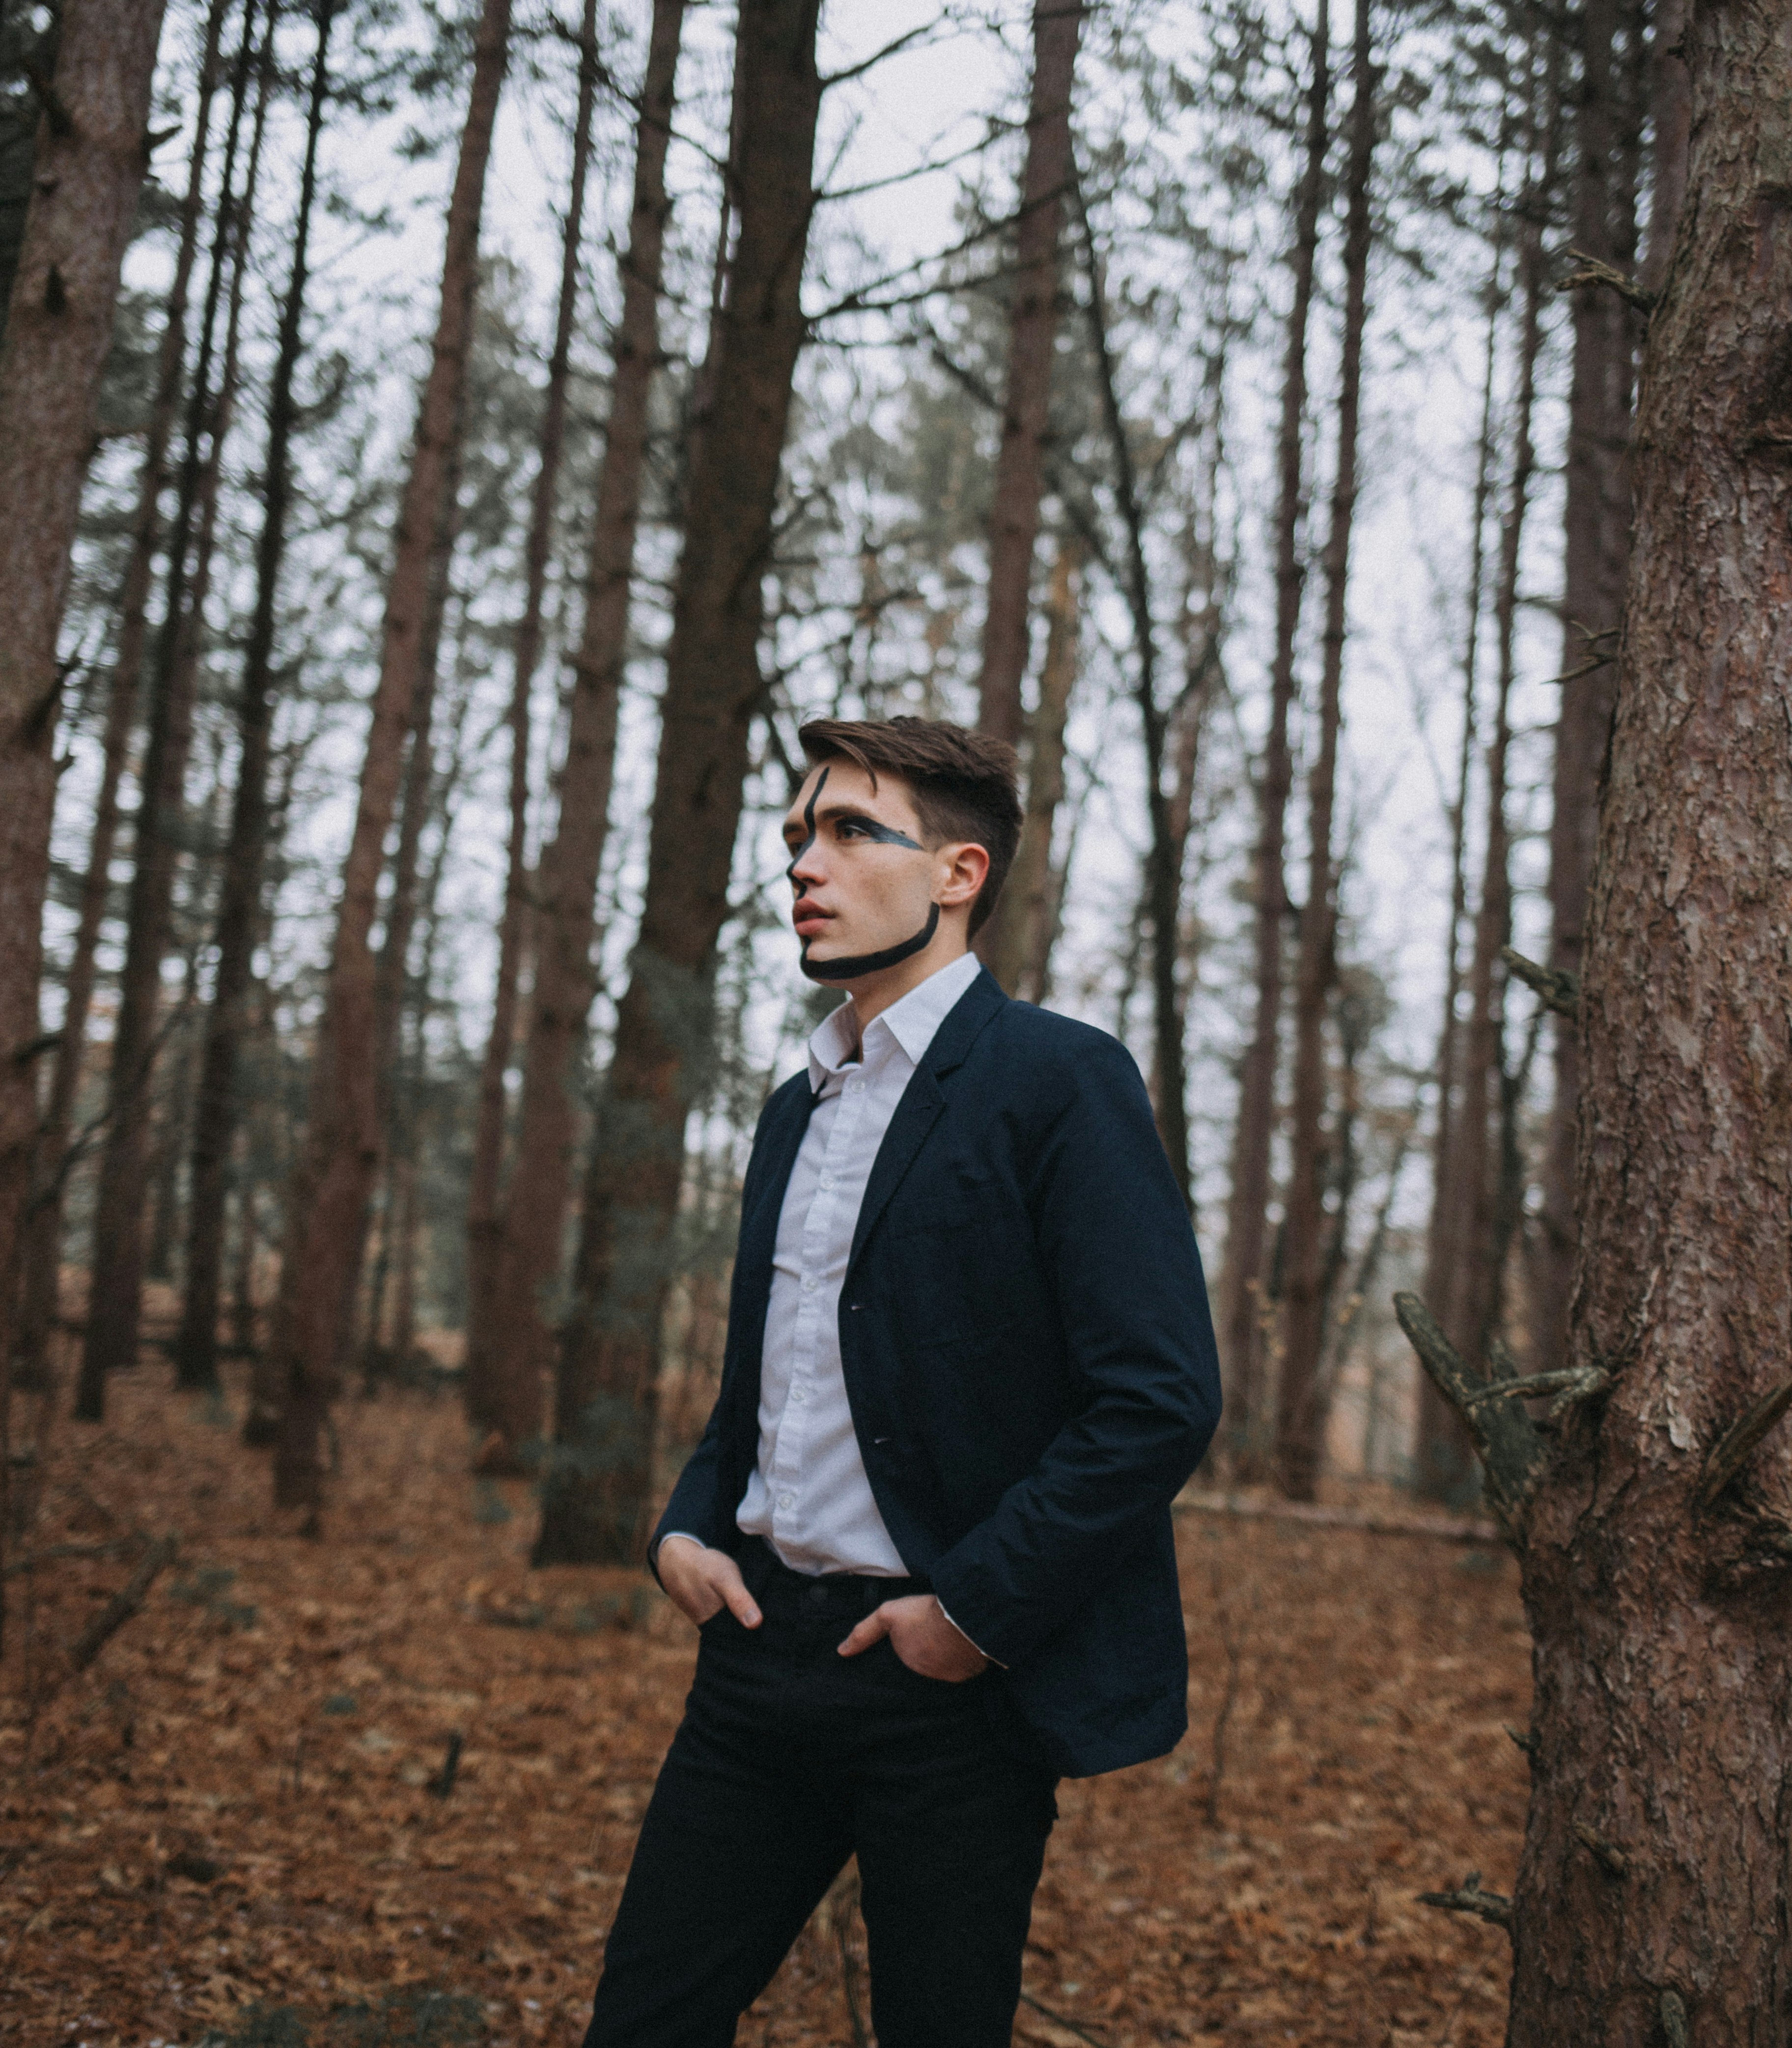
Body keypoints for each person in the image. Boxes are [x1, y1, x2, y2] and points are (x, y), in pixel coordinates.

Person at [581, 715, 1220, 2048]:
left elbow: (1159, 1395)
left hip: (949, 1688)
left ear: (958, 873)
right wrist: (687, 1527)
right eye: (796, 836)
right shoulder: (792, 1110)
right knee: (643, 2024)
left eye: (851, 830)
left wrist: (971, 1617)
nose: (805, 864)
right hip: (755, 1662)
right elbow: (766, 1374)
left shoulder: (1060, 1082)